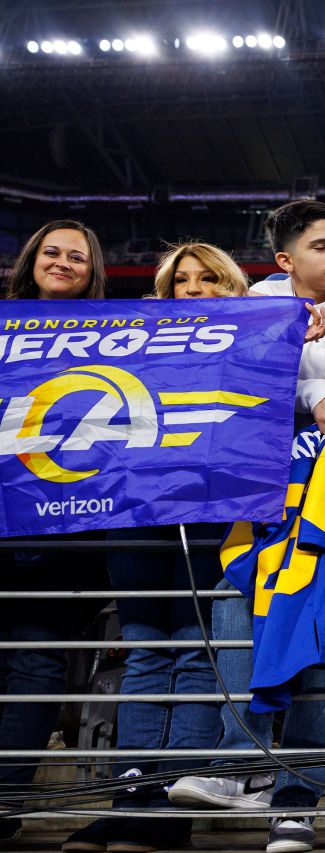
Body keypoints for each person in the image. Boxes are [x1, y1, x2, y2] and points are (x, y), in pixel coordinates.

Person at [59, 242, 325, 853]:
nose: (196, 288)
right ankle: (131, 804)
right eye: (183, 280)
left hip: (216, 517)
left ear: (232, 287)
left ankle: (169, 813)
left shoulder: (255, 340)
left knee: (195, 657)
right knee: (145, 654)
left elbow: (294, 396)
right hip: (136, 516)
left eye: (209, 278)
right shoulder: (135, 335)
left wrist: (296, 334)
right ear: (168, 289)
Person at [168, 203, 325, 853]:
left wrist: (294, 357)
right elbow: (241, 382)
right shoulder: (258, 296)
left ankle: (297, 800)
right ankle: (243, 768)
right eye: (321, 246)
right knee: (240, 621)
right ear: (285, 260)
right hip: (261, 487)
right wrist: (303, 351)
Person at [0, 221, 109, 849]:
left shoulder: (123, 331)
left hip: (68, 524)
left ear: (92, 269)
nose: (63, 263)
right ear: (31, 259)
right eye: (52, 253)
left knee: (36, 665)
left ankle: (5, 799)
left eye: (76, 256)